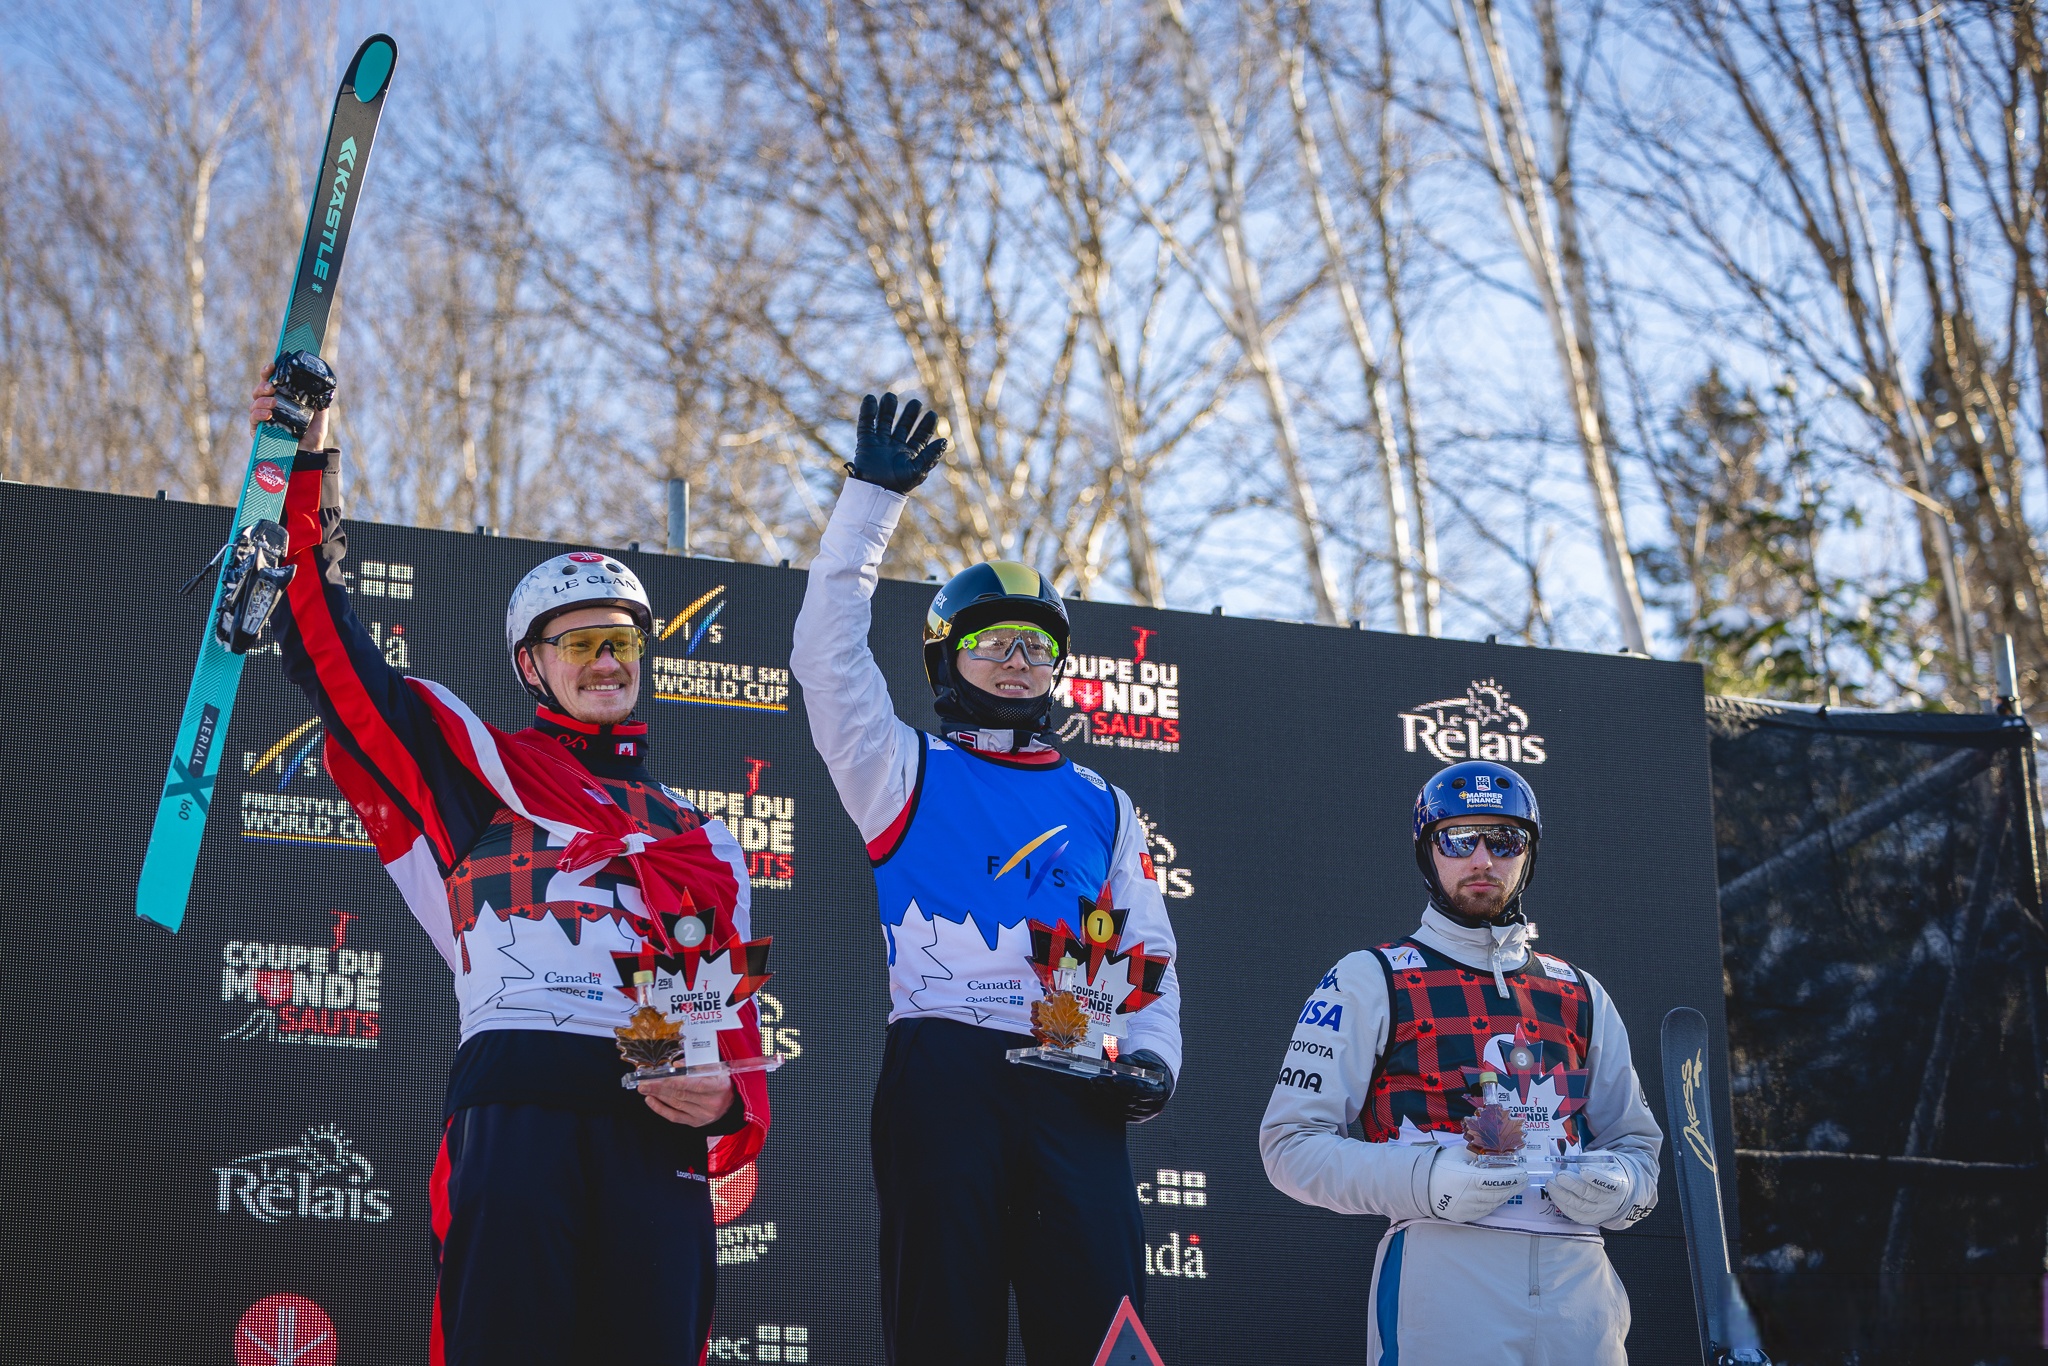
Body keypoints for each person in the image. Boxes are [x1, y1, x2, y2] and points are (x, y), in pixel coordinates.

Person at [252, 367, 769, 1366]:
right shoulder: (472, 772)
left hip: (650, 1127)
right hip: (515, 1105)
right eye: (576, 643)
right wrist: (307, 463)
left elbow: (732, 1022)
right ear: (532, 666)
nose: (604, 660)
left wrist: (727, 1096)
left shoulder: (700, 837)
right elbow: (331, 656)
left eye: (618, 640)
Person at [789, 393, 1183, 1365]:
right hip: (945, 1074)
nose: (1016, 661)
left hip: (1077, 1081)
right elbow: (823, 657)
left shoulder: (1103, 801)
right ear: (944, 658)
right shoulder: (899, 769)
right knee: (942, 1331)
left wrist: (1152, 1058)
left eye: (1035, 645)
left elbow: (1151, 948)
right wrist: (870, 503)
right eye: (992, 642)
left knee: (1102, 1337)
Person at [1259, 760, 1661, 1365]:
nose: (1481, 860)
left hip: (1581, 1280)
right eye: (1457, 839)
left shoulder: (1579, 990)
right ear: (1428, 853)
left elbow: (1638, 1144)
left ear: (1527, 854)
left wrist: (1624, 1188)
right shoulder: (1372, 976)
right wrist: (1422, 1179)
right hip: (1442, 1268)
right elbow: (1288, 1146)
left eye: (1503, 840)